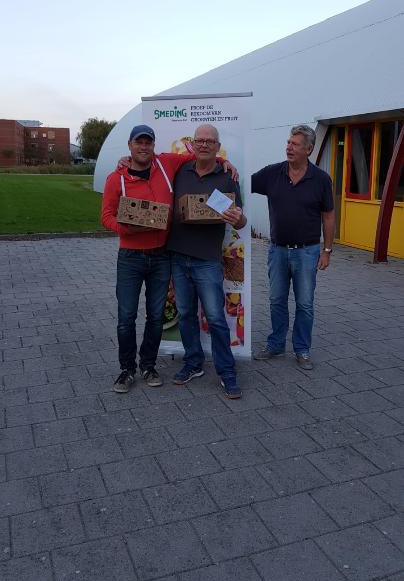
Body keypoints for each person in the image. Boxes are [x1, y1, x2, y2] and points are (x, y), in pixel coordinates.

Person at [102, 124, 237, 393]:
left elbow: (201, 154)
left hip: (163, 256)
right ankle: (127, 370)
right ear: (130, 145)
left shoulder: (167, 164)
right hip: (132, 257)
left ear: (154, 146)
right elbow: (106, 216)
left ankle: (149, 366)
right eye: (138, 142)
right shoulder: (116, 178)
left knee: (157, 316)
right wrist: (125, 228)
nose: (143, 147)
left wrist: (224, 161)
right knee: (127, 317)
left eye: (148, 142)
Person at [166, 123, 247, 399]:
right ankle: (193, 363)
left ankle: (226, 371)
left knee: (215, 317)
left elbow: (240, 219)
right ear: (192, 144)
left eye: (209, 141)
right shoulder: (180, 171)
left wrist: (239, 219)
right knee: (186, 314)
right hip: (178, 255)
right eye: (199, 140)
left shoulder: (227, 177)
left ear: (217, 146)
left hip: (207, 260)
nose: (203, 144)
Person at [252, 124, 335, 371]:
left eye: (295, 144)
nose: (289, 147)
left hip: (307, 252)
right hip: (277, 250)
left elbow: (328, 215)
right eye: (288, 142)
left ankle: (302, 349)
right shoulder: (272, 173)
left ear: (308, 150)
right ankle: (276, 344)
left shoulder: (320, 179)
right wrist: (228, 167)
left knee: (305, 303)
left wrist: (327, 250)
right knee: (276, 300)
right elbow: (243, 182)